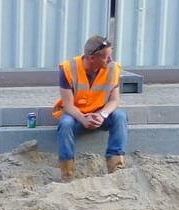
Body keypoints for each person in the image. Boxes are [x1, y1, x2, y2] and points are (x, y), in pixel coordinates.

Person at [53, 35, 128, 182]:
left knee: (120, 116)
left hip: (100, 114)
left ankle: (116, 168)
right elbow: (68, 105)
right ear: (92, 58)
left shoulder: (112, 69)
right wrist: (82, 118)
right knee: (66, 123)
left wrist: (102, 115)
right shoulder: (68, 68)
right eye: (107, 57)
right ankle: (67, 174)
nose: (110, 60)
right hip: (76, 116)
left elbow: (114, 100)